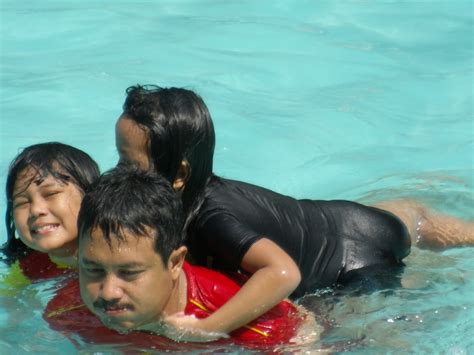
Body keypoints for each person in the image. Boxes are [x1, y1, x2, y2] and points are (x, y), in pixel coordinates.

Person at [115, 84, 474, 338]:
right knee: (418, 220)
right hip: (356, 218)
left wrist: (209, 328)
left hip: (354, 266)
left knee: (353, 336)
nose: (117, 172)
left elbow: (283, 273)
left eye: (128, 163)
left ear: (179, 174)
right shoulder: (201, 191)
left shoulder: (211, 219)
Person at [47, 166, 316, 350]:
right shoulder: (65, 313)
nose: (108, 292)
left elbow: (307, 339)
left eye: (129, 273)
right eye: (92, 269)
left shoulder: (261, 329)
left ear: (174, 263)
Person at [2, 142, 100, 280]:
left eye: (51, 194)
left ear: (90, 197)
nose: (36, 210)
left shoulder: (117, 254)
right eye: (22, 202)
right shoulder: (28, 267)